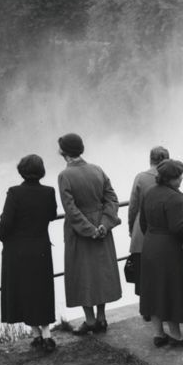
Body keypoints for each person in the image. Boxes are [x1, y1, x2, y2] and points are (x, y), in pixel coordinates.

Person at [57, 133, 122, 334]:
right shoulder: (97, 169)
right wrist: (104, 224)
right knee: (101, 272)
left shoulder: (65, 175)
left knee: (82, 273)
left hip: (80, 233)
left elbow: (70, 209)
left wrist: (89, 230)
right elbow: (112, 199)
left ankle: (90, 320)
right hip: (102, 228)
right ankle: (102, 318)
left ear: (64, 152)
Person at [0, 154, 58, 351]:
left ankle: (36, 335)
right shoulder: (49, 192)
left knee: (24, 290)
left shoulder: (14, 193)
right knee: (41, 289)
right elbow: (52, 215)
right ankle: (46, 334)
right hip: (41, 248)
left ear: (21, 171)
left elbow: (6, 223)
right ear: (41, 171)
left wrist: (3, 237)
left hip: (18, 250)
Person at [139, 159, 183, 348]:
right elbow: (177, 228)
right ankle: (177, 336)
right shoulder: (175, 198)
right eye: (179, 176)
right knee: (171, 289)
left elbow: (143, 223)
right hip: (169, 249)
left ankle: (158, 334)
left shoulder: (149, 192)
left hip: (150, 245)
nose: (182, 179)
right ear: (170, 178)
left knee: (154, 289)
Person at [127, 146, 169, 296]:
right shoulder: (170, 177)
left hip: (141, 231)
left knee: (143, 274)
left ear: (150, 159)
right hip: (164, 231)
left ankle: (145, 305)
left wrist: (131, 229)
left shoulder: (140, 177)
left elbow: (133, 207)